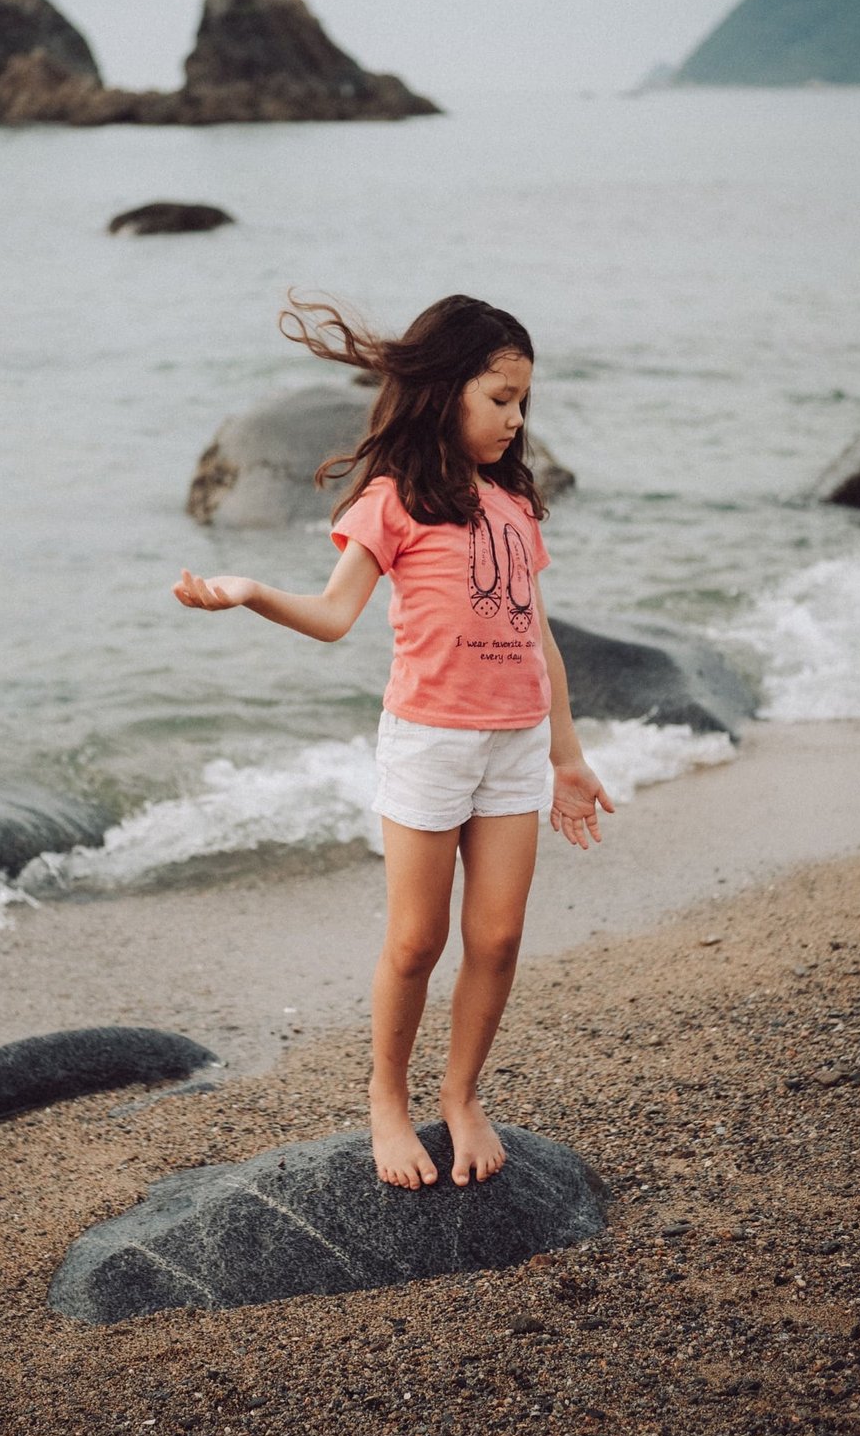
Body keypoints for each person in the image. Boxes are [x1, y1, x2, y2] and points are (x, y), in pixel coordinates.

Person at [173, 294, 613, 1190]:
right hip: (429, 746)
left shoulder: (514, 501)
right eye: (500, 398)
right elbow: (336, 616)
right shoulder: (392, 501)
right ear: (446, 390)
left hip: (515, 745)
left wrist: (567, 755)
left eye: (523, 401)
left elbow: (539, 636)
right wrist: (252, 591)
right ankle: (386, 1097)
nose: (516, 418)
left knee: (497, 937)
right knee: (416, 941)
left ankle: (460, 1096)